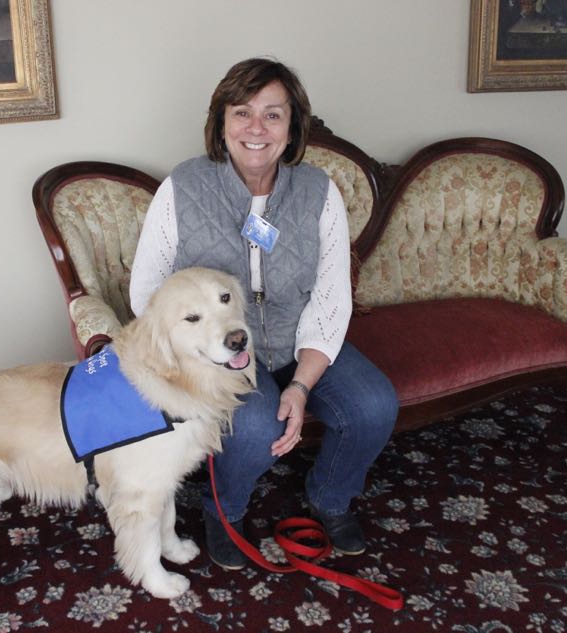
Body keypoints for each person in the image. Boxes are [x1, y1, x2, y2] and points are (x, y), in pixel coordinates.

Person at [129, 58, 398, 570]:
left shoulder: (319, 192)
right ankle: (223, 511)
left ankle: (330, 498)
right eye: (242, 112)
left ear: (293, 126)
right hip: (217, 354)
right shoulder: (181, 188)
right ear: (221, 122)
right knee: (253, 429)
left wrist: (301, 383)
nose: (257, 128)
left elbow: (331, 295)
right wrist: (202, 350)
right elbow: (147, 293)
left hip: (301, 335)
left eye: (273, 115)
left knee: (372, 405)